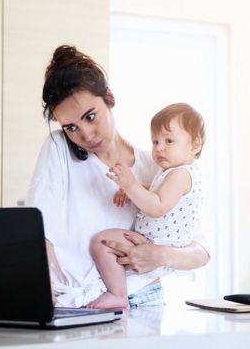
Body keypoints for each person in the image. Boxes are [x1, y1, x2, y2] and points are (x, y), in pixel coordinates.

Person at [27, 45, 210, 308]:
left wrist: (159, 255)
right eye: (71, 127)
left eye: (91, 117)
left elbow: (202, 251)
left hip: (145, 297)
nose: (86, 135)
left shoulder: (159, 165)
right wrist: (44, 293)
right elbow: (38, 230)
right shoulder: (59, 149)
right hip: (79, 302)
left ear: (109, 99)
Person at [86, 103, 205, 309]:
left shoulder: (181, 174)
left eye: (169, 141)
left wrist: (130, 185)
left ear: (194, 145)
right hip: (155, 242)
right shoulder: (173, 173)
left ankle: (117, 294)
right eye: (155, 141)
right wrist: (139, 187)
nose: (159, 147)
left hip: (157, 243)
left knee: (102, 243)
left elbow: (157, 206)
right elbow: (158, 190)